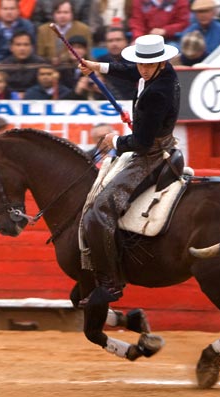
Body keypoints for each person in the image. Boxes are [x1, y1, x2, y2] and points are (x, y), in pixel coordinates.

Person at [77, 34, 180, 307]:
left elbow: (142, 143)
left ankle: (111, 282)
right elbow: (127, 70)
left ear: (162, 61)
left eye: (149, 65)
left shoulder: (158, 93)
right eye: (141, 64)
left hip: (150, 154)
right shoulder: (161, 71)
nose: (143, 69)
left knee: (101, 210)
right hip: (161, 143)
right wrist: (95, 66)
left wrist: (115, 141)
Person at [36, 0, 92, 66]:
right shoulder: (43, 30)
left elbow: (87, 54)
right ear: (53, 14)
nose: (62, 16)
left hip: (75, 67)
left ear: (72, 14)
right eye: (58, 12)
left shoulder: (83, 29)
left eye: (66, 12)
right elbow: (40, 55)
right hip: (50, 67)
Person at [0, 30, 48, 97]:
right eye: (18, 45)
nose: (22, 48)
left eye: (26, 45)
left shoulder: (41, 64)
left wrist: (28, 94)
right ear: (11, 48)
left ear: (32, 47)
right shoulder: (4, 65)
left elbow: (44, 86)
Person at [96, 26, 136, 99]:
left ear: (126, 42)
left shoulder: (137, 61)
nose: (114, 44)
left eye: (118, 40)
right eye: (110, 41)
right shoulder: (99, 61)